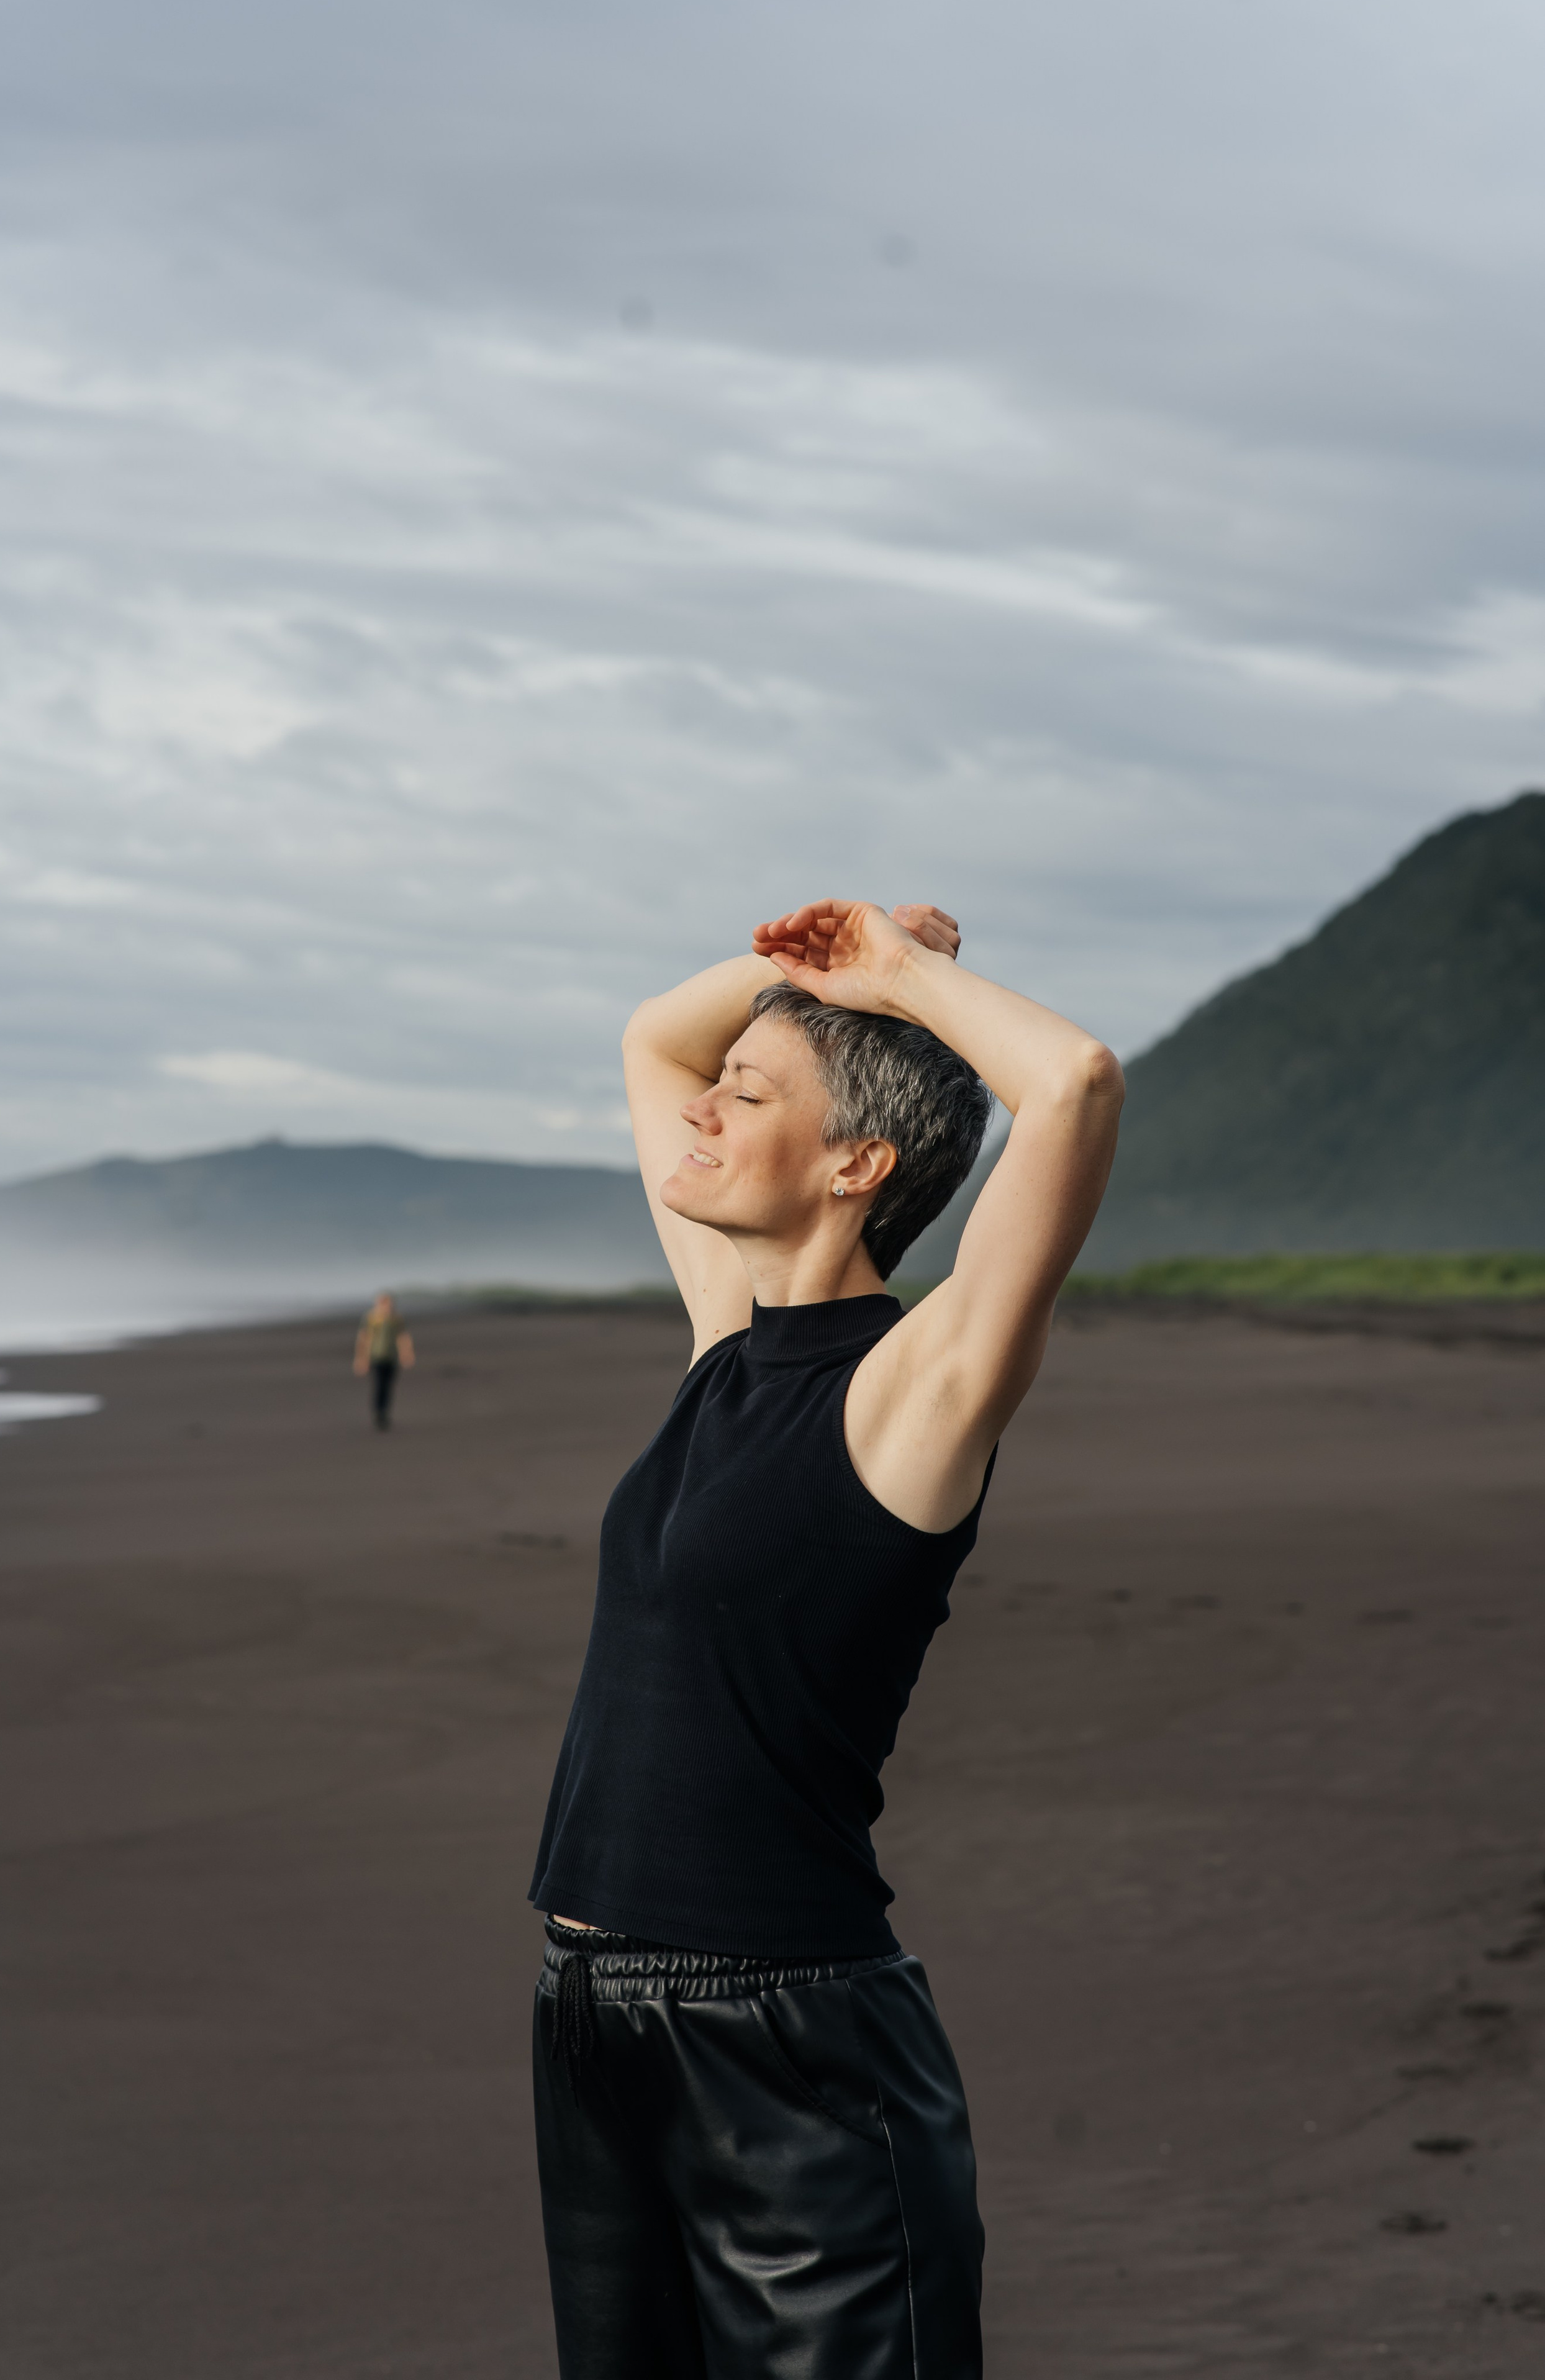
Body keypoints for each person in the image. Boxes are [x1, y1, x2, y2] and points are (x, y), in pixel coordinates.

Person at [528, 897, 1124, 2379]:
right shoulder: (725, 1345)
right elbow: (651, 1036)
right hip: (590, 2013)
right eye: (720, 1089)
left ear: (857, 1166)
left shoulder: (913, 1390)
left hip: (788, 2047)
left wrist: (897, 976)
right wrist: (798, 967)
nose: (707, 1100)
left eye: (753, 1092)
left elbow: (1073, 1086)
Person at [352, 1292, 414, 1431]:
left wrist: (406, 1354)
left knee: (388, 1386)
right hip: (376, 1356)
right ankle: (378, 1412)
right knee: (379, 1385)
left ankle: (384, 1412)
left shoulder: (396, 1318)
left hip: (391, 1357)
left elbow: (403, 1337)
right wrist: (361, 1359)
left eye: (389, 1304)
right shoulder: (371, 1318)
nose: (387, 1307)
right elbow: (364, 1338)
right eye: (384, 1303)